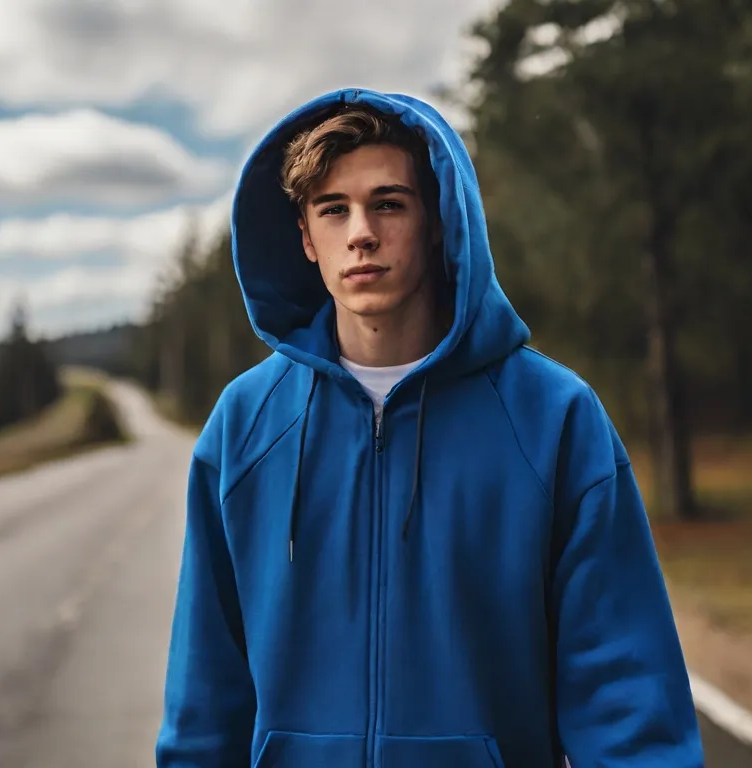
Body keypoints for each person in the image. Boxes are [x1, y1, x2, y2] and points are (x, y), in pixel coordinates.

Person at [155, 88, 704, 768]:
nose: (361, 232)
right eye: (334, 210)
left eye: (388, 203)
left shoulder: (553, 418)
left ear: (438, 219)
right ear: (306, 237)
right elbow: (205, 701)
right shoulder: (244, 424)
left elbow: (628, 704)